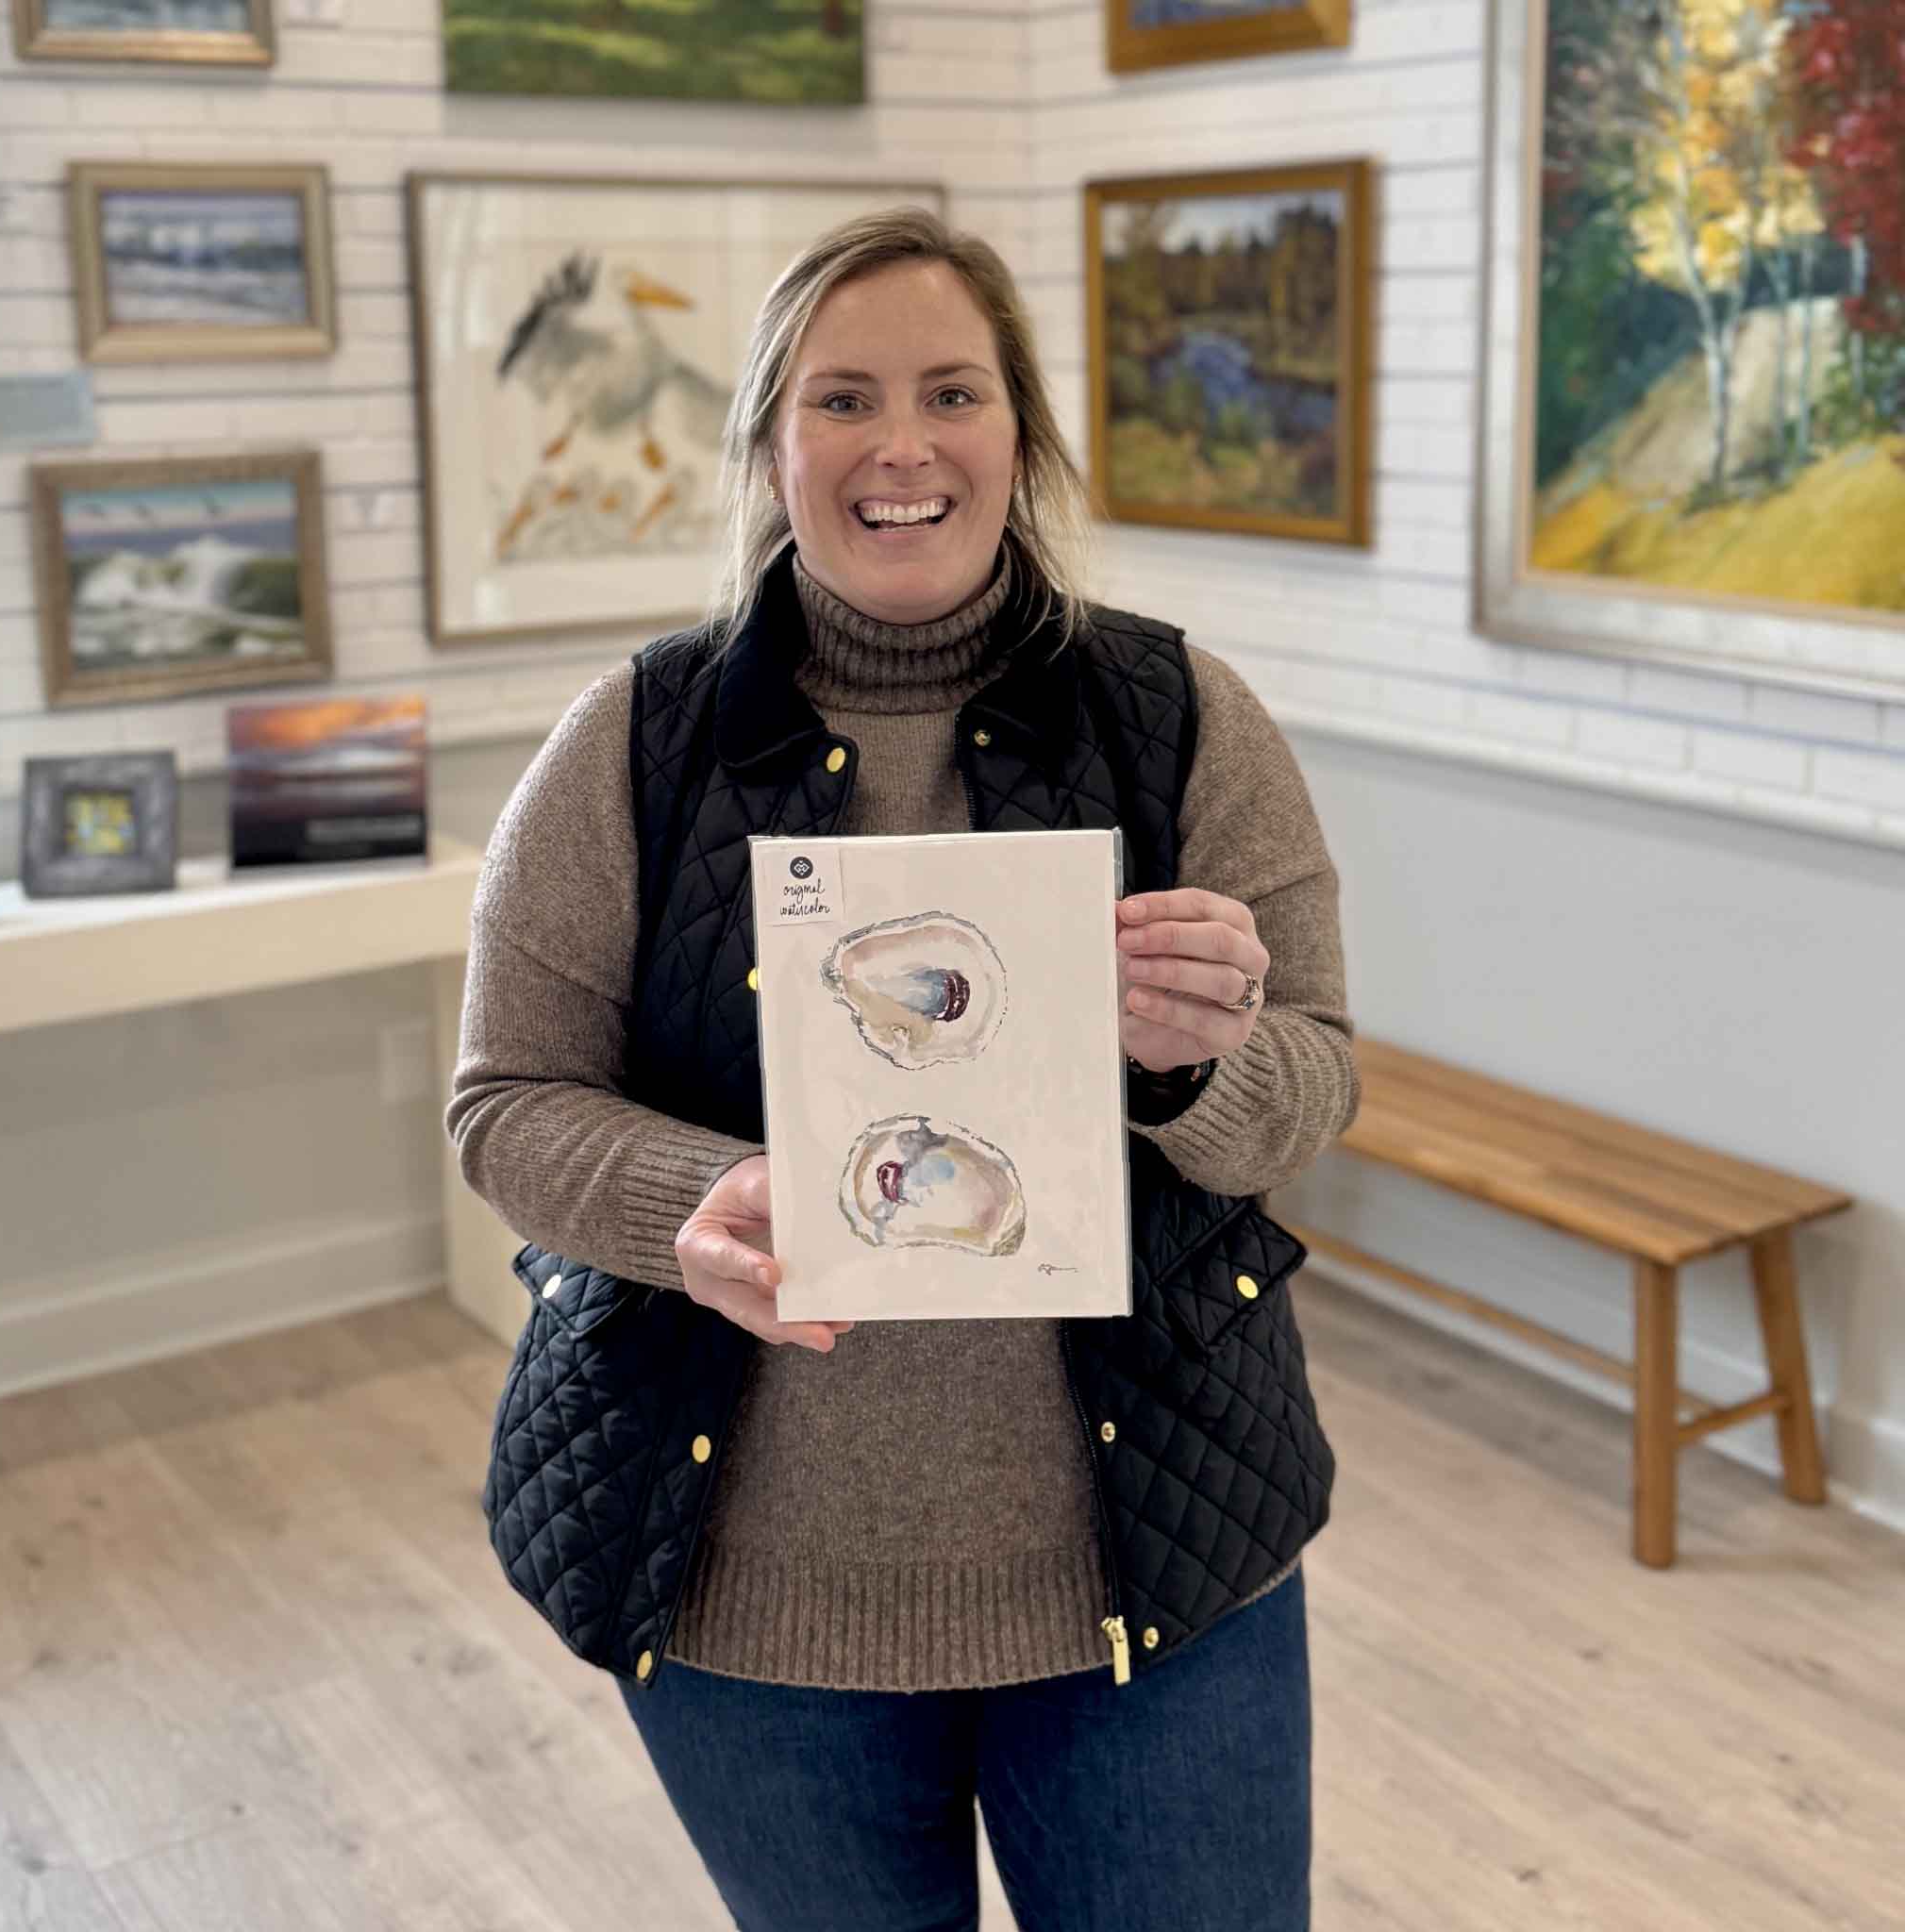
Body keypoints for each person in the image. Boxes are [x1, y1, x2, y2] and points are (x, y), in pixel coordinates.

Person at [447, 207, 1360, 1932]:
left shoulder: (1180, 717)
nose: (904, 447)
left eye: (953, 392)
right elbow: (504, 1105)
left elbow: (1316, 1077)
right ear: (769, 447)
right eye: (843, 399)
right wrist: (699, 1200)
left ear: (1021, 433)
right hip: (747, 1599)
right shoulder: (633, 743)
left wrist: (1195, 1070)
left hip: (1158, 1567)